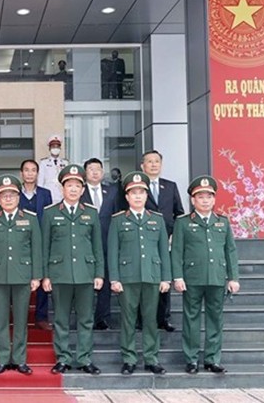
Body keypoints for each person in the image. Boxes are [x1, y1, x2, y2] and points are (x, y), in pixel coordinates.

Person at [172, 175, 239, 375]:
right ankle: (192, 359)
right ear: (193, 200)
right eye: (200, 197)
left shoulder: (222, 222)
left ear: (214, 199)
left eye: (208, 196)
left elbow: (231, 251)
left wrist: (233, 277)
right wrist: (178, 276)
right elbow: (176, 251)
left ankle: (212, 359)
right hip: (192, 277)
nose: (205, 200)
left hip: (217, 278)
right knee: (191, 319)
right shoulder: (183, 223)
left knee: (215, 319)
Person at [42, 165, 104, 375]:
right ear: (62, 188)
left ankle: (85, 358)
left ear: (83, 188)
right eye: (69, 185)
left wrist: (99, 273)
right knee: (60, 318)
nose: (73, 189)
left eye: (78, 185)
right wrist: (46, 275)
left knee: (86, 319)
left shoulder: (91, 213)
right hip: (60, 274)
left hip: (86, 273)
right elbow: (45, 246)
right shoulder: (50, 213)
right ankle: (63, 358)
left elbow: (97, 246)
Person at [108, 172, 171, 375]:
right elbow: (113, 251)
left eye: (141, 193)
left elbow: (164, 251)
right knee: (128, 320)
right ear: (127, 197)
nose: (137, 196)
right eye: (133, 193)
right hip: (127, 278)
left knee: (151, 319)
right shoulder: (118, 220)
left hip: (152, 276)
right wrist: (115, 278)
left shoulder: (157, 220)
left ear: (146, 196)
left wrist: (166, 277)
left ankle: (151, 358)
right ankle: (129, 358)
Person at [0, 175, 42, 375]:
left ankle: (19, 359)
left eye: (12, 195)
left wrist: (36, 276)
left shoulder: (30, 219)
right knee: (0, 320)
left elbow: (37, 249)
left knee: (20, 320)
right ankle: (1, 359)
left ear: (18, 198)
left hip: (22, 275)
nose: (8, 199)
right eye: (4, 196)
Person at [142, 150, 184, 332]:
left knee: (164, 279)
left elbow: (179, 213)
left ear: (161, 164)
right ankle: (141, 319)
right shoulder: (137, 186)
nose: (153, 164)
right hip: (144, 240)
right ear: (142, 166)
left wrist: (175, 233)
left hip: (166, 240)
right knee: (143, 280)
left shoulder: (170, 186)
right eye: (149, 161)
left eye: (156, 161)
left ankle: (164, 318)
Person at [80, 158, 123, 330]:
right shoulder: (79, 192)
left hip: (106, 242)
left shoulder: (112, 191)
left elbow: (117, 216)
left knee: (104, 281)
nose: (95, 172)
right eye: (91, 169)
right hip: (84, 243)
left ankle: (102, 317)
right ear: (85, 173)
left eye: (98, 169)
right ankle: (85, 316)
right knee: (86, 282)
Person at [18, 159, 53, 331]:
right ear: (21, 173)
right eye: (26, 170)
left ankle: (41, 316)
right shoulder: (14, 193)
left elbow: (48, 219)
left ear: (38, 174)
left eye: (33, 170)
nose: (30, 173)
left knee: (41, 278)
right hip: (20, 243)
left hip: (40, 242)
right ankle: (20, 317)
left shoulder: (45, 194)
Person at [38, 135, 69, 203]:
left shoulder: (65, 163)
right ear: (49, 148)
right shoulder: (44, 163)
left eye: (57, 147)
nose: (55, 149)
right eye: (53, 147)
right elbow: (40, 181)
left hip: (62, 196)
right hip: (48, 195)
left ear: (60, 148)